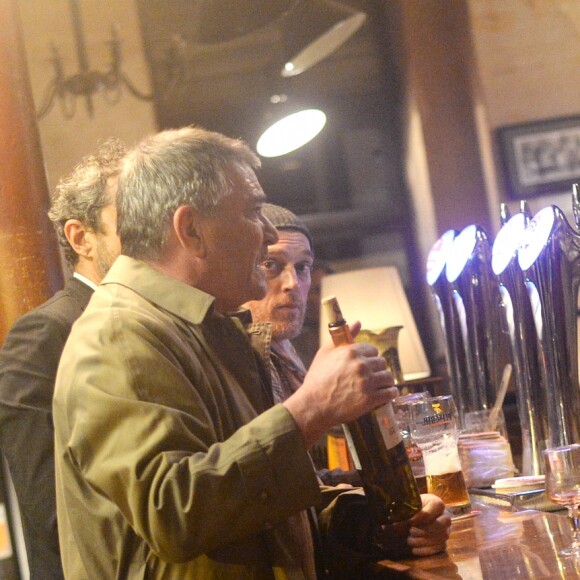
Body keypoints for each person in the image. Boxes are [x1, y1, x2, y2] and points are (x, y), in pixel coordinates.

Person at [53, 126, 400, 578]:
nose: (269, 231)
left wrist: (374, 525)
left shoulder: (207, 327)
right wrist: (312, 407)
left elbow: (260, 514)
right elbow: (176, 513)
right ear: (191, 230)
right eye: (254, 212)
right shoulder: (120, 333)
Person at [244, 204, 450, 573]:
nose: (293, 284)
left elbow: (310, 498)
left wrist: (401, 529)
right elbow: (249, 500)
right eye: (272, 265)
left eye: (303, 267)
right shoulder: (234, 361)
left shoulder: (285, 355)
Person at [0, 138, 125, 579]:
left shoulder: (155, 321)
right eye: (131, 217)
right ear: (80, 238)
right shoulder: (43, 333)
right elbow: (51, 506)